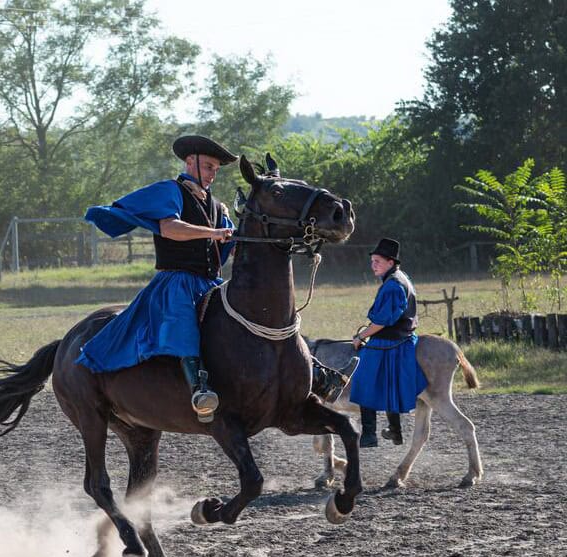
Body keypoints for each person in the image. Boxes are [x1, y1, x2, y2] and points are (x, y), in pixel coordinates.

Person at [77, 135, 354, 422]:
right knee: (183, 327)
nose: (212, 174)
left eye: (216, 170)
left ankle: (316, 373)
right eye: (208, 167)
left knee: (259, 317)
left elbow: (235, 240)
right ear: (190, 162)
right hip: (176, 284)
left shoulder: (218, 206)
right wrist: (212, 234)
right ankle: (200, 388)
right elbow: (170, 228)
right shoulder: (170, 191)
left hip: (209, 283)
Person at [349, 238, 428, 448]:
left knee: (363, 377)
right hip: (400, 336)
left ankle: (368, 434)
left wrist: (361, 336)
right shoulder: (402, 277)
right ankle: (395, 430)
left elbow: (382, 322)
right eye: (372, 261)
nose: (373, 265)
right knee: (384, 381)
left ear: (391, 262)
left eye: (378, 261)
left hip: (390, 341)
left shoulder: (393, 286)